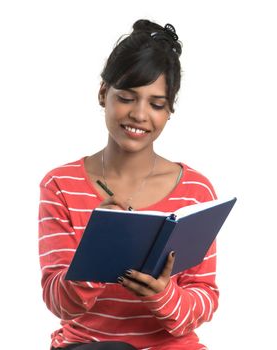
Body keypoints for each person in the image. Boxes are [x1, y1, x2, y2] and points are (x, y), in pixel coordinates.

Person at [39, 19, 219, 350]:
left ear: (169, 111)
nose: (139, 114)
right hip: (89, 346)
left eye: (156, 104)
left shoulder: (195, 190)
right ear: (103, 93)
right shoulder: (61, 184)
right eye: (126, 97)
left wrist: (163, 294)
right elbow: (58, 302)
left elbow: (203, 299)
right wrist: (98, 250)